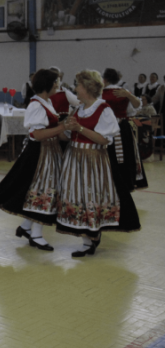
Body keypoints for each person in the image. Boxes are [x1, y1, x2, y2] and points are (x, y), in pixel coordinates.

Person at [56, 70, 141, 257]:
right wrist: (63, 128)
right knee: (78, 196)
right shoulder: (78, 109)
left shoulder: (104, 109)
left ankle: (94, 235)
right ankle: (86, 240)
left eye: (78, 85)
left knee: (91, 195)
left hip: (93, 159)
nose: (76, 88)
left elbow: (103, 139)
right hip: (74, 158)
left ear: (87, 88)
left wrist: (79, 127)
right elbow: (66, 136)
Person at [0, 69, 68, 251]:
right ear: (48, 84)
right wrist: (62, 126)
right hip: (40, 153)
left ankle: (26, 227)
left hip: (49, 152)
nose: (58, 85)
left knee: (41, 191)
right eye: (56, 82)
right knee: (43, 191)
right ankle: (36, 235)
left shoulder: (46, 102)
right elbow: (37, 134)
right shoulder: (36, 105)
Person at [102, 68, 146, 192]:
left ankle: (108, 182)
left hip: (105, 128)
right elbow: (136, 107)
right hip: (122, 127)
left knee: (107, 155)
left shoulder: (100, 93)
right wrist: (129, 95)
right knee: (126, 154)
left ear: (104, 79)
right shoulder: (124, 91)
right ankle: (127, 181)